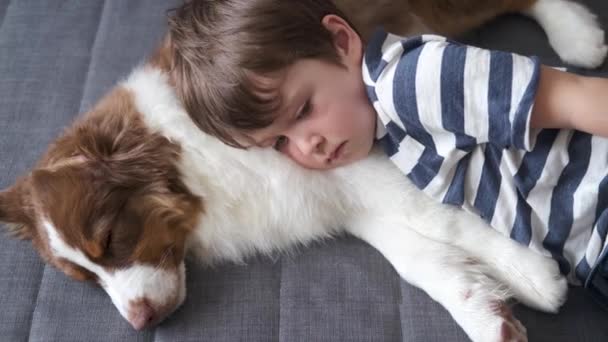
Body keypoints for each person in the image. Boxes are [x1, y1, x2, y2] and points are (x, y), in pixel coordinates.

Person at [168, 0, 608, 305]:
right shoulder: (385, 134)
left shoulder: (415, 83)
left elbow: (575, 97)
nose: (307, 145)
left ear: (342, 42)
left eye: (303, 110)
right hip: (588, 258)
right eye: (278, 143)